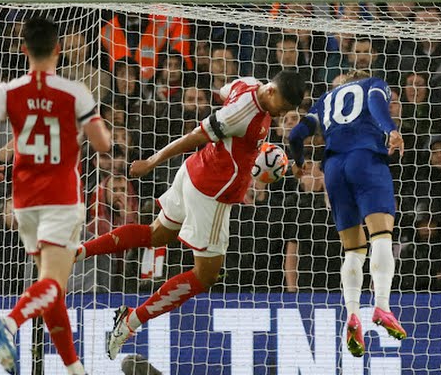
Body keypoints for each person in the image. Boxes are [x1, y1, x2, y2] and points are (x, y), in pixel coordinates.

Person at [74, 70, 305, 360]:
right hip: (212, 193)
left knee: (156, 234)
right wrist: (151, 162)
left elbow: (224, 91)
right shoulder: (241, 115)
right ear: (271, 92)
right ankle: (131, 321)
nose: (281, 113)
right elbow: (196, 135)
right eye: (281, 106)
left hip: (195, 171)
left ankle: (80, 250)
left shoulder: (248, 84)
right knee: (205, 275)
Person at [0, 17, 111, 375]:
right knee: (52, 284)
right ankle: (10, 323)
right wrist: (82, 128)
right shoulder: (75, 91)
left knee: (50, 289)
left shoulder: (7, 90)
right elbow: (103, 143)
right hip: (61, 198)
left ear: (24, 49)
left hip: (25, 201)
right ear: (59, 49)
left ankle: (75, 368)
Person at [286, 69, 406, 358]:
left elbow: (294, 134)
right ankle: (382, 307)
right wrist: (391, 130)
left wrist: (299, 162)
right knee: (380, 236)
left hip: (334, 169)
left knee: (353, 249)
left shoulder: (324, 100)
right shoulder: (373, 85)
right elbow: (378, 106)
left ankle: (352, 315)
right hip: (365, 158)